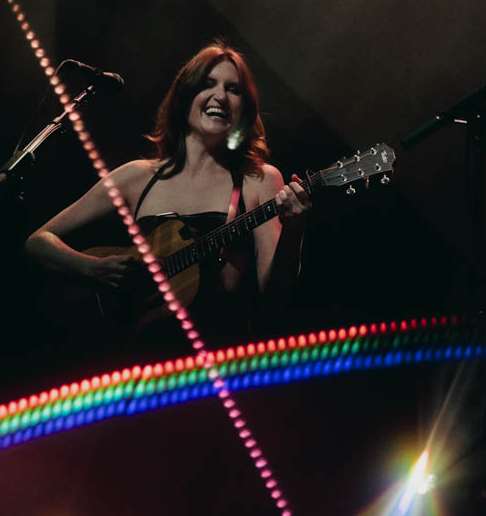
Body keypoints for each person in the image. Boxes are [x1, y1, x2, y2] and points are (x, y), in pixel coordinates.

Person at [24, 41, 312, 346]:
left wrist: (294, 229)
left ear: (245, 108)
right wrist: (94, 269)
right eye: (208, 84)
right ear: (184, 96)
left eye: (233, 89)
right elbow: (37, 242)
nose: (220, 96)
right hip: (137, 359)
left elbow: (276, 295)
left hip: (221, 356)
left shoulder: (259, 179)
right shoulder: (137, 177)